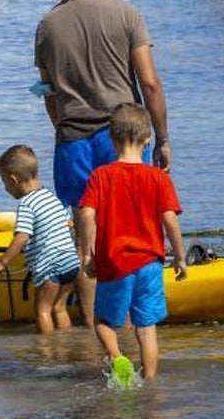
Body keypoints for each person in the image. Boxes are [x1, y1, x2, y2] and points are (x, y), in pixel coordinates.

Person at [34, 0, 171, 327]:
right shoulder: (127, 15)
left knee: (85, 239)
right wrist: (161, 139)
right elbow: (150, 85)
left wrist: (62, 127)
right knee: (129, 232)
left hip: (73, 140)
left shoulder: (48, 25)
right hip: (124, 138)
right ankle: (132, 326)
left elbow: (49, 94)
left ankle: (97, 334)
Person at [78, 103, 187, 386]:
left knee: (102, 320)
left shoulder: (100, 177)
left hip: (115, 263)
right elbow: (170, 221)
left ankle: (117, 359)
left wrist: (87, 253)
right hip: (150, 264)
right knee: (147, 329)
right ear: (148, 138)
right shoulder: (158, 178)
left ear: (112, 139)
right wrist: (180, 256)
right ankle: (149, 385)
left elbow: (87, 215)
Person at [0, 145, 82, 334]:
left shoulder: (26, 204)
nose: (6, 188)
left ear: (14, 180)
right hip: (71, 262)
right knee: (59, 308)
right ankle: (65, 345)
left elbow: (22, 237)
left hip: (50, 266)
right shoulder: (51, 197)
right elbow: (70, 224)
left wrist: (2, 262)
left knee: (42, 310)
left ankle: (46, 354)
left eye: (5, 183)